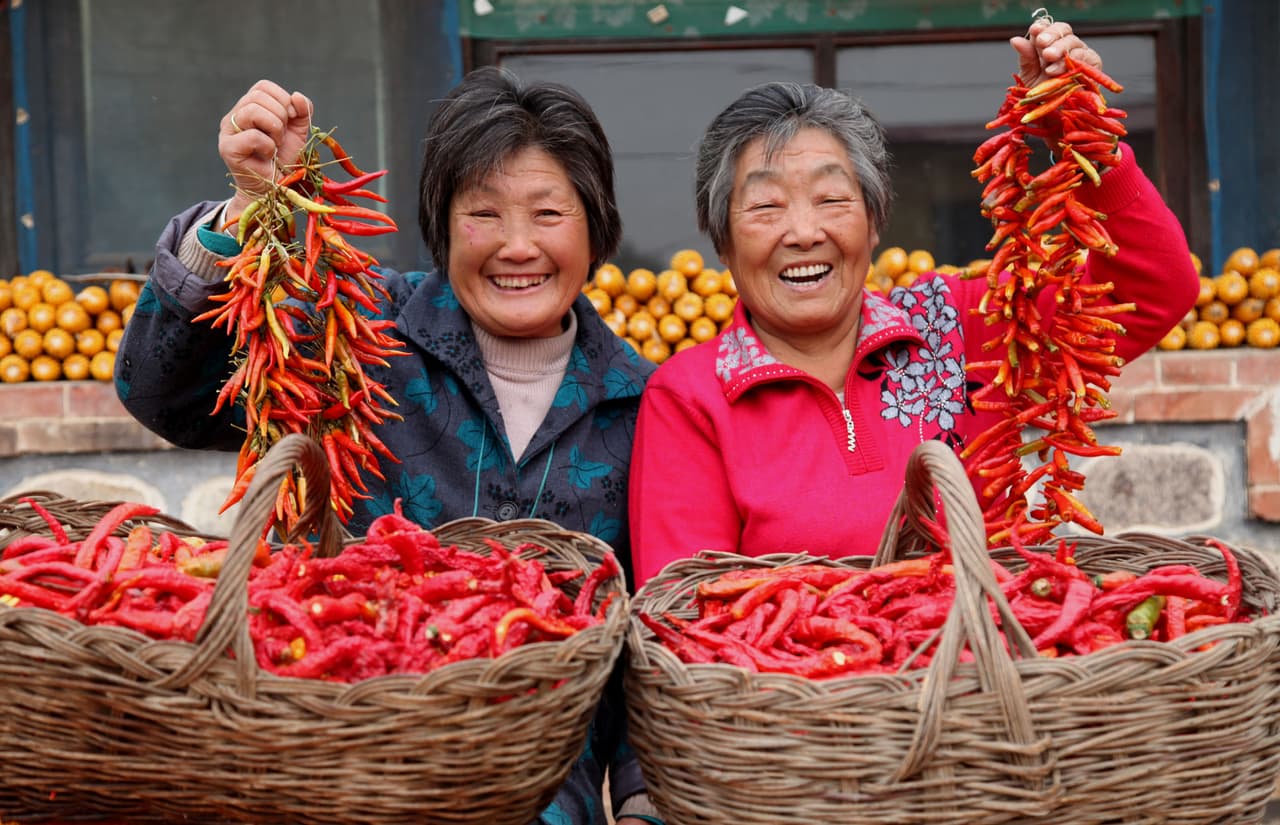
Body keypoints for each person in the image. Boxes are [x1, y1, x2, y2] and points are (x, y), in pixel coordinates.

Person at [114, 68, 659, 825]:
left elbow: (653, 636)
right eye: (483, 213)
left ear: (596, 226)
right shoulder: (362, 334)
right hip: (337, 761)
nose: (517, 245)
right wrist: (250, 204)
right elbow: (161, 392)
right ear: (441, 224)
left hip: (537, 793)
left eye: (548, 212)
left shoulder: (642, 404)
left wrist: (641, 803)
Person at [628, 20, 1200, 583]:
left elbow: (1149, 291)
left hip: (989, 666)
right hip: (806, 675)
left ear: (875, 223)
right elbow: (688, 609)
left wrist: (1083, 138)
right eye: (765, 207)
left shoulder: (960, 326)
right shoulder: (691, 397)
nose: (803, 232)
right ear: (722, 242)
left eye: (832, 198)